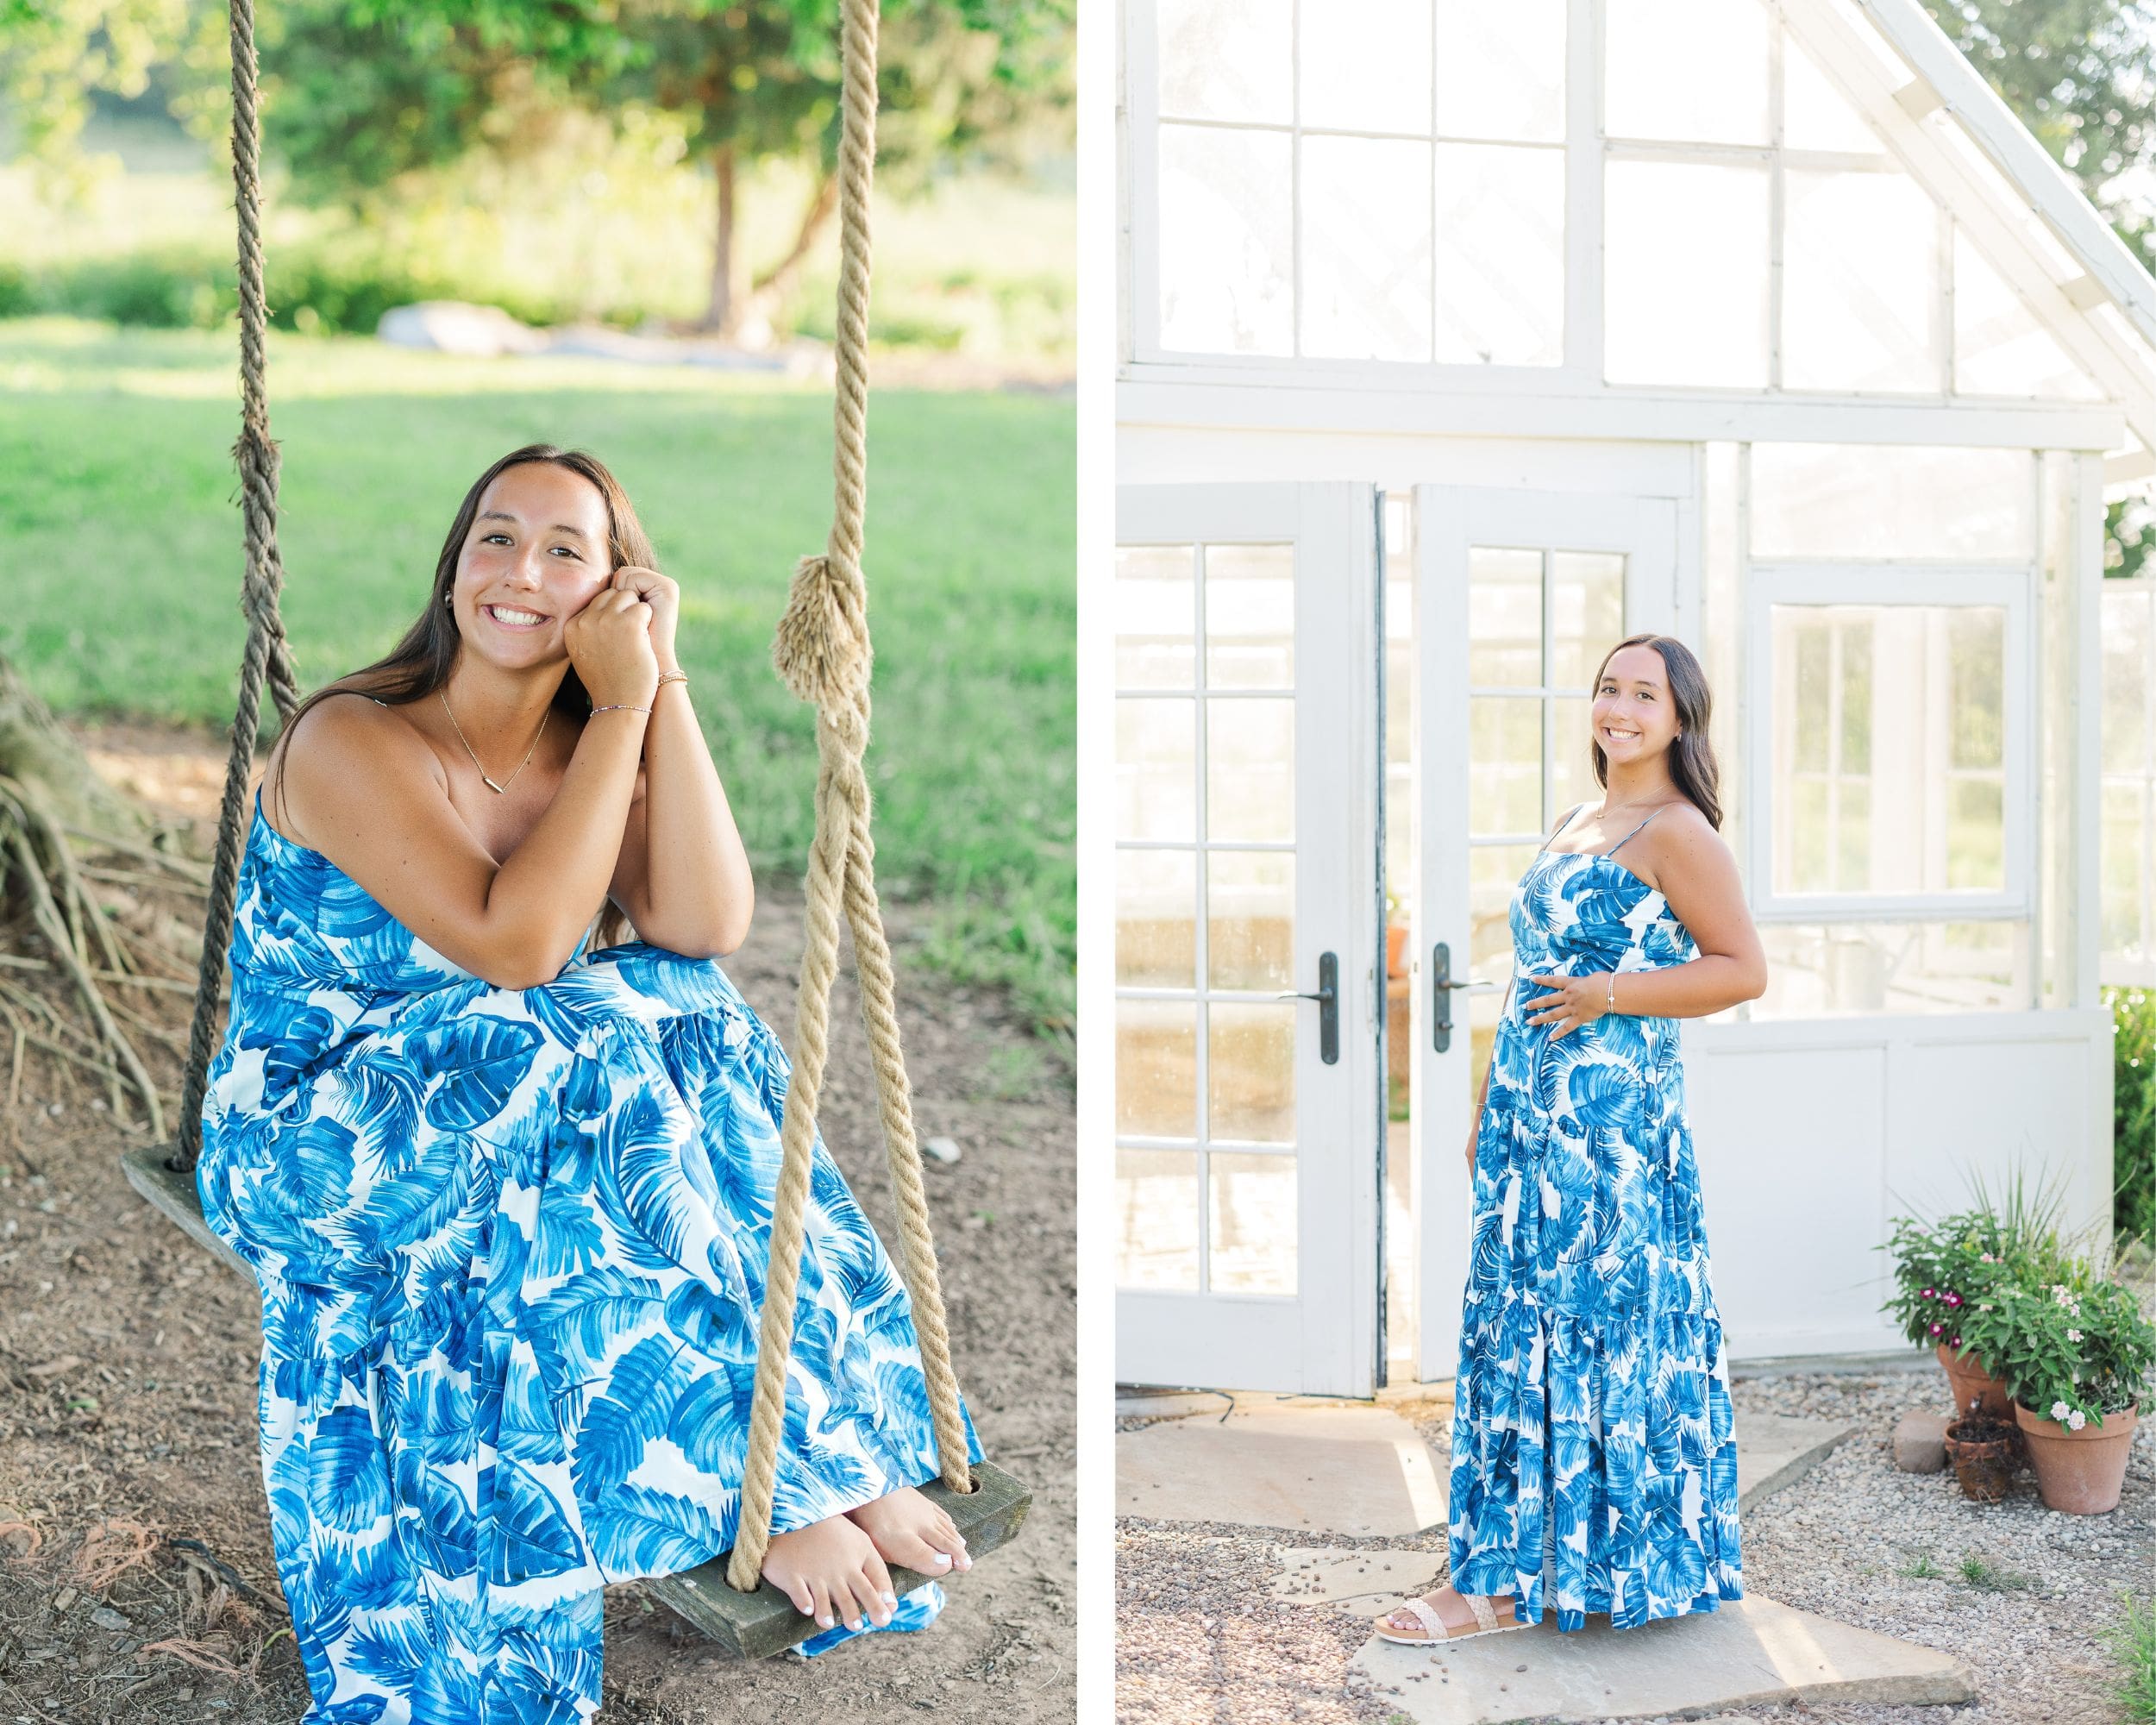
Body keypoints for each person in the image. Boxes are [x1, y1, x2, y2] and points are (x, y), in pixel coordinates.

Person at [196, 444, 982, 1720]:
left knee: (684, 1008)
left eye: (568, 550)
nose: (521, 572)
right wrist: (616, 711)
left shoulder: (586, 745)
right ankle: (769, 1484)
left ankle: (816, 1448)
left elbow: (707, 922)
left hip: (493, 1108)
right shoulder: (351, 737)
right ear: (452, 569)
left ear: (623, 590)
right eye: (495, 538)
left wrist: (657, 689)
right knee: (563, 1031)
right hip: (313, 1137)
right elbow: (517, 951)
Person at [1376, 632, 1767, 1647]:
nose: (1619, 707)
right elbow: (1532, 971)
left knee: (1596, 1329)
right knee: (1521, 1330)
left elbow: (1740, 969)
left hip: (1613, 1137)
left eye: (1645, 693)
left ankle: (1519, 1581)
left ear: (1681, 718)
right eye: (1608, 687)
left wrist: (1610, 994)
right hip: (1528, 1115)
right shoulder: (1579, 817)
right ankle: (1524, 1564)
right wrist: (1482, 1101)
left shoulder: (1681, 832)